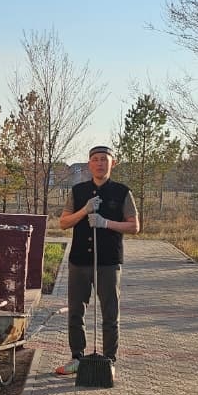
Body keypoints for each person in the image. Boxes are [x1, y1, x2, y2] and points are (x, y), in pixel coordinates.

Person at [55, 146, 140, 375]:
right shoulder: (78, 191)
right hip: (80, 261)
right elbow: (63, 223)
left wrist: (105, 223)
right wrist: (84, 211)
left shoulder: (122, 192)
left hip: (109, 262)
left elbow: (134, 226)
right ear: (89, 164)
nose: (100, 163)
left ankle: (109, 360)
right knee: (76, 312)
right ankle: (77, 357)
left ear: (113, 163)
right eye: (95, 159)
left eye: (104, 159)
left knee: (110, 313)